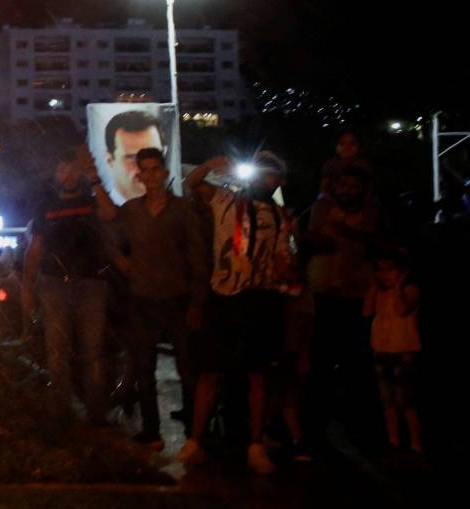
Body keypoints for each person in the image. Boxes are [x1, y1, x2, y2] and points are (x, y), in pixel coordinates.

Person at [180, 151, 299, 474]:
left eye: (270, 174)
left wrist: (286, 272)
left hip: (261, 300)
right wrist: (208, 165)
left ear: (280, 181)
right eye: (259, 172)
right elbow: (191, 185)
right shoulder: (226, 201)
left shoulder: (282, 216)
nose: (263, 178)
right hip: (225, 299)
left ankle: (255, 445)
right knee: (210, 371)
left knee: (258, 374)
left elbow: (283, 262)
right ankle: (195, 441)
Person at [113, 147, 208, 448]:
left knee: (188, 368)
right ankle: (152, 430)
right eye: (146, 170)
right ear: (139, 175)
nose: (152, 175)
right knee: (144, 369)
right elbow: (113, 240)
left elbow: (197, 256)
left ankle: (195, 432)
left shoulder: (183, 210)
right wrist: (121, 262)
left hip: (177, 297)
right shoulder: (130, 211)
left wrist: (197, 301)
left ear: (165, 173)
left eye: (156, 169)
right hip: (142, 299)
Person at [21, 145, 118, 424]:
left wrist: (95, 179)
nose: (68, 174)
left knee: (93, 353)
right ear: (55, 174)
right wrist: (28, 286)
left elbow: (110, 215)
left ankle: (96, 415)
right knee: (57, 355)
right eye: (62, 169)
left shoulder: (91, 201)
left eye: (72, 168)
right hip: (54, 286)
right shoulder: (46, 208)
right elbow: (35, 248)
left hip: (90, 285)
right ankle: (61, 414)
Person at [305, 164, 381, 452]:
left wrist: (344, 233)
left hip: (356, 298)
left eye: (353, 186)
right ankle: (315, 432)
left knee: (357, 368)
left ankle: (359, 431)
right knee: (319, 367)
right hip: (324, 294)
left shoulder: (372, 212)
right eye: (343, 185)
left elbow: (375, 242)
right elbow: (313, 237)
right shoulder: (322, 207)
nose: (347, 190)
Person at [365, 253, 422, 454]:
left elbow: (401, 310)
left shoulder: (411, 290)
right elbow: (366, 311)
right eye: (380, 269)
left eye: (389, 269)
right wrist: (373, 286)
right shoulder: (380, 292)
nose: (384, 274)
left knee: (405, 399)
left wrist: (398, 286)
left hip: (403, 350)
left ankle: (415, 443)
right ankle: (393, 440)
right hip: (381, 348)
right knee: (387, 398)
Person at [102, 110, 166, 204]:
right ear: (110, 159)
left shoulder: (178, 208)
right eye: (132, 158)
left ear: (164, 153)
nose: (145, 168)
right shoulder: (96, 211)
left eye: (153, 155)